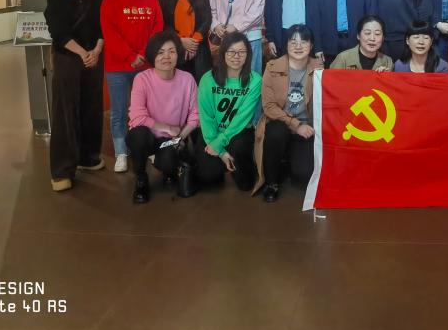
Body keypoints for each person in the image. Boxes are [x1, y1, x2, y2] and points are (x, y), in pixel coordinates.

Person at [44, 0, 104, 192]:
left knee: (92, 107)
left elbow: (102, 27)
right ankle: (62, 170)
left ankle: (88, 157)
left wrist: (96, 51)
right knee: (65, 112)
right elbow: (57, 31)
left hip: (93, 58)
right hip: (68, 58)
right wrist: (82, 52)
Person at [100, 0, 163, 173]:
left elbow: (157, 27)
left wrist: (144, 54)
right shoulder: (110, 0)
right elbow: (110, 33)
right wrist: (129, 56)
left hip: (145, 65)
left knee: (146, 108)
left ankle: (148, 147)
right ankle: (121, 152)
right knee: (119, 111)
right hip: (117, 66)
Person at [126, 31, 199, 204]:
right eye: (160, 52)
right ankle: (141, 178)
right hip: (149, 136)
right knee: (137, 135)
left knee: (168, 162)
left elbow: (195, 115)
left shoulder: (187, 79)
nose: (166, 57)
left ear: (178, 54)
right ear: (152, 55)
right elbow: (137, 117)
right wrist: (167, 127)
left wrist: (180, 137)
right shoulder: (142, 79)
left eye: (171, 51)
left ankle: (168, 168)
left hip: (172, 139)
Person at [255, 24, 323, 203]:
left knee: (303, 175)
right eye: (293, 42)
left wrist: (304, 127)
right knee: (277, 131)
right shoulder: (272, 67)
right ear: (286, 45)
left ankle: (287, 163)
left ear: (311, 45)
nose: (298, 46)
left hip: (307, 129)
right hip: (281, 124)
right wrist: (296, 125)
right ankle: (271, 183)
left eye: (304, 42)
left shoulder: (319, 68)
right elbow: (269, 106)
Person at [195, 32, 261, 191]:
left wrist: (220, 143)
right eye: (231, 52)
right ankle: (219, 164)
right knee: (209, 178)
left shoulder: (255, 80)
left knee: (246, 185)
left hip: (239, 132)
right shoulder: (208, 79)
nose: (236, 56)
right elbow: (206, 117)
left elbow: (242, 118)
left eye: (242, 52)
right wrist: (221, 152)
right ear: (223, 53)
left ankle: (244, 165)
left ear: (248, 55)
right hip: (212, 132)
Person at [155, 0, 212, 81]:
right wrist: (179, 40)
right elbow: (162, 22)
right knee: (176, 85)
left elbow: (207, 19)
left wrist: (194, 42)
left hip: (199, 48)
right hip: (173, 47)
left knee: (201, 85)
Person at [329, 15, 393, 71]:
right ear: (358, 36)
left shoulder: (388, 62)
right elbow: (331, 79)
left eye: (377, 34)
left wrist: (385, 77)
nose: (372, 38)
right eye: (367, 33)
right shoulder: (343, 58)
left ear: (383, 38)